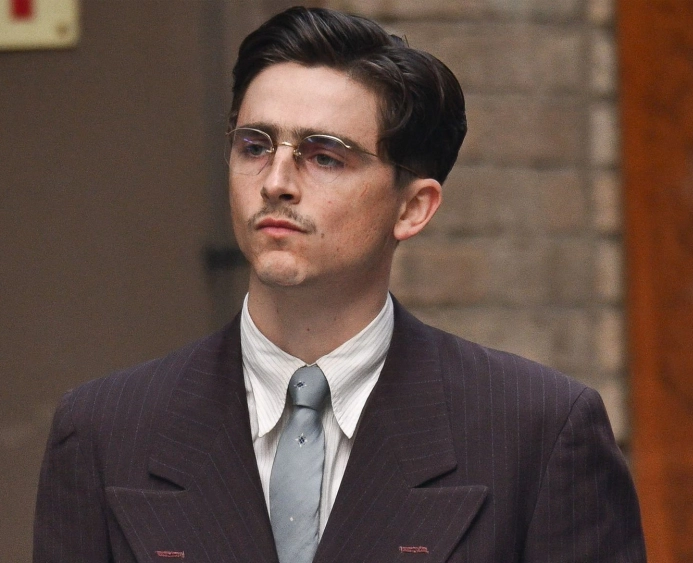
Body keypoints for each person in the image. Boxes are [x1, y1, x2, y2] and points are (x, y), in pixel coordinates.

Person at [32, 6, 646, 563]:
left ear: (413, 208)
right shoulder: (106, 432)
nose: (276, 181)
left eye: (324, 156)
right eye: (254, 146)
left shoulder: (535, 432)